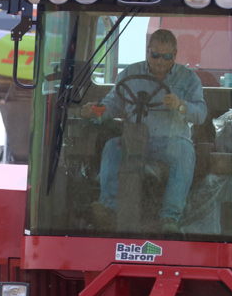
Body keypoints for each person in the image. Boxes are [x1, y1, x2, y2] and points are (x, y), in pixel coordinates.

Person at [81, 29, 207, 233]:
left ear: (175, 55)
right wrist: (96, 111)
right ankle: (110, 210)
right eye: (154, 55)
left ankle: (170, 218)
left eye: (166, 57)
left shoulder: (188, 78)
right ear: (147, 51)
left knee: (185, 152)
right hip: (135, 139)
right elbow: (111, 104)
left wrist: (181, 105)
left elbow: (201, 113)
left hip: (171, 142)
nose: (159, 61)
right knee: (113, 146)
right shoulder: (131, 74)